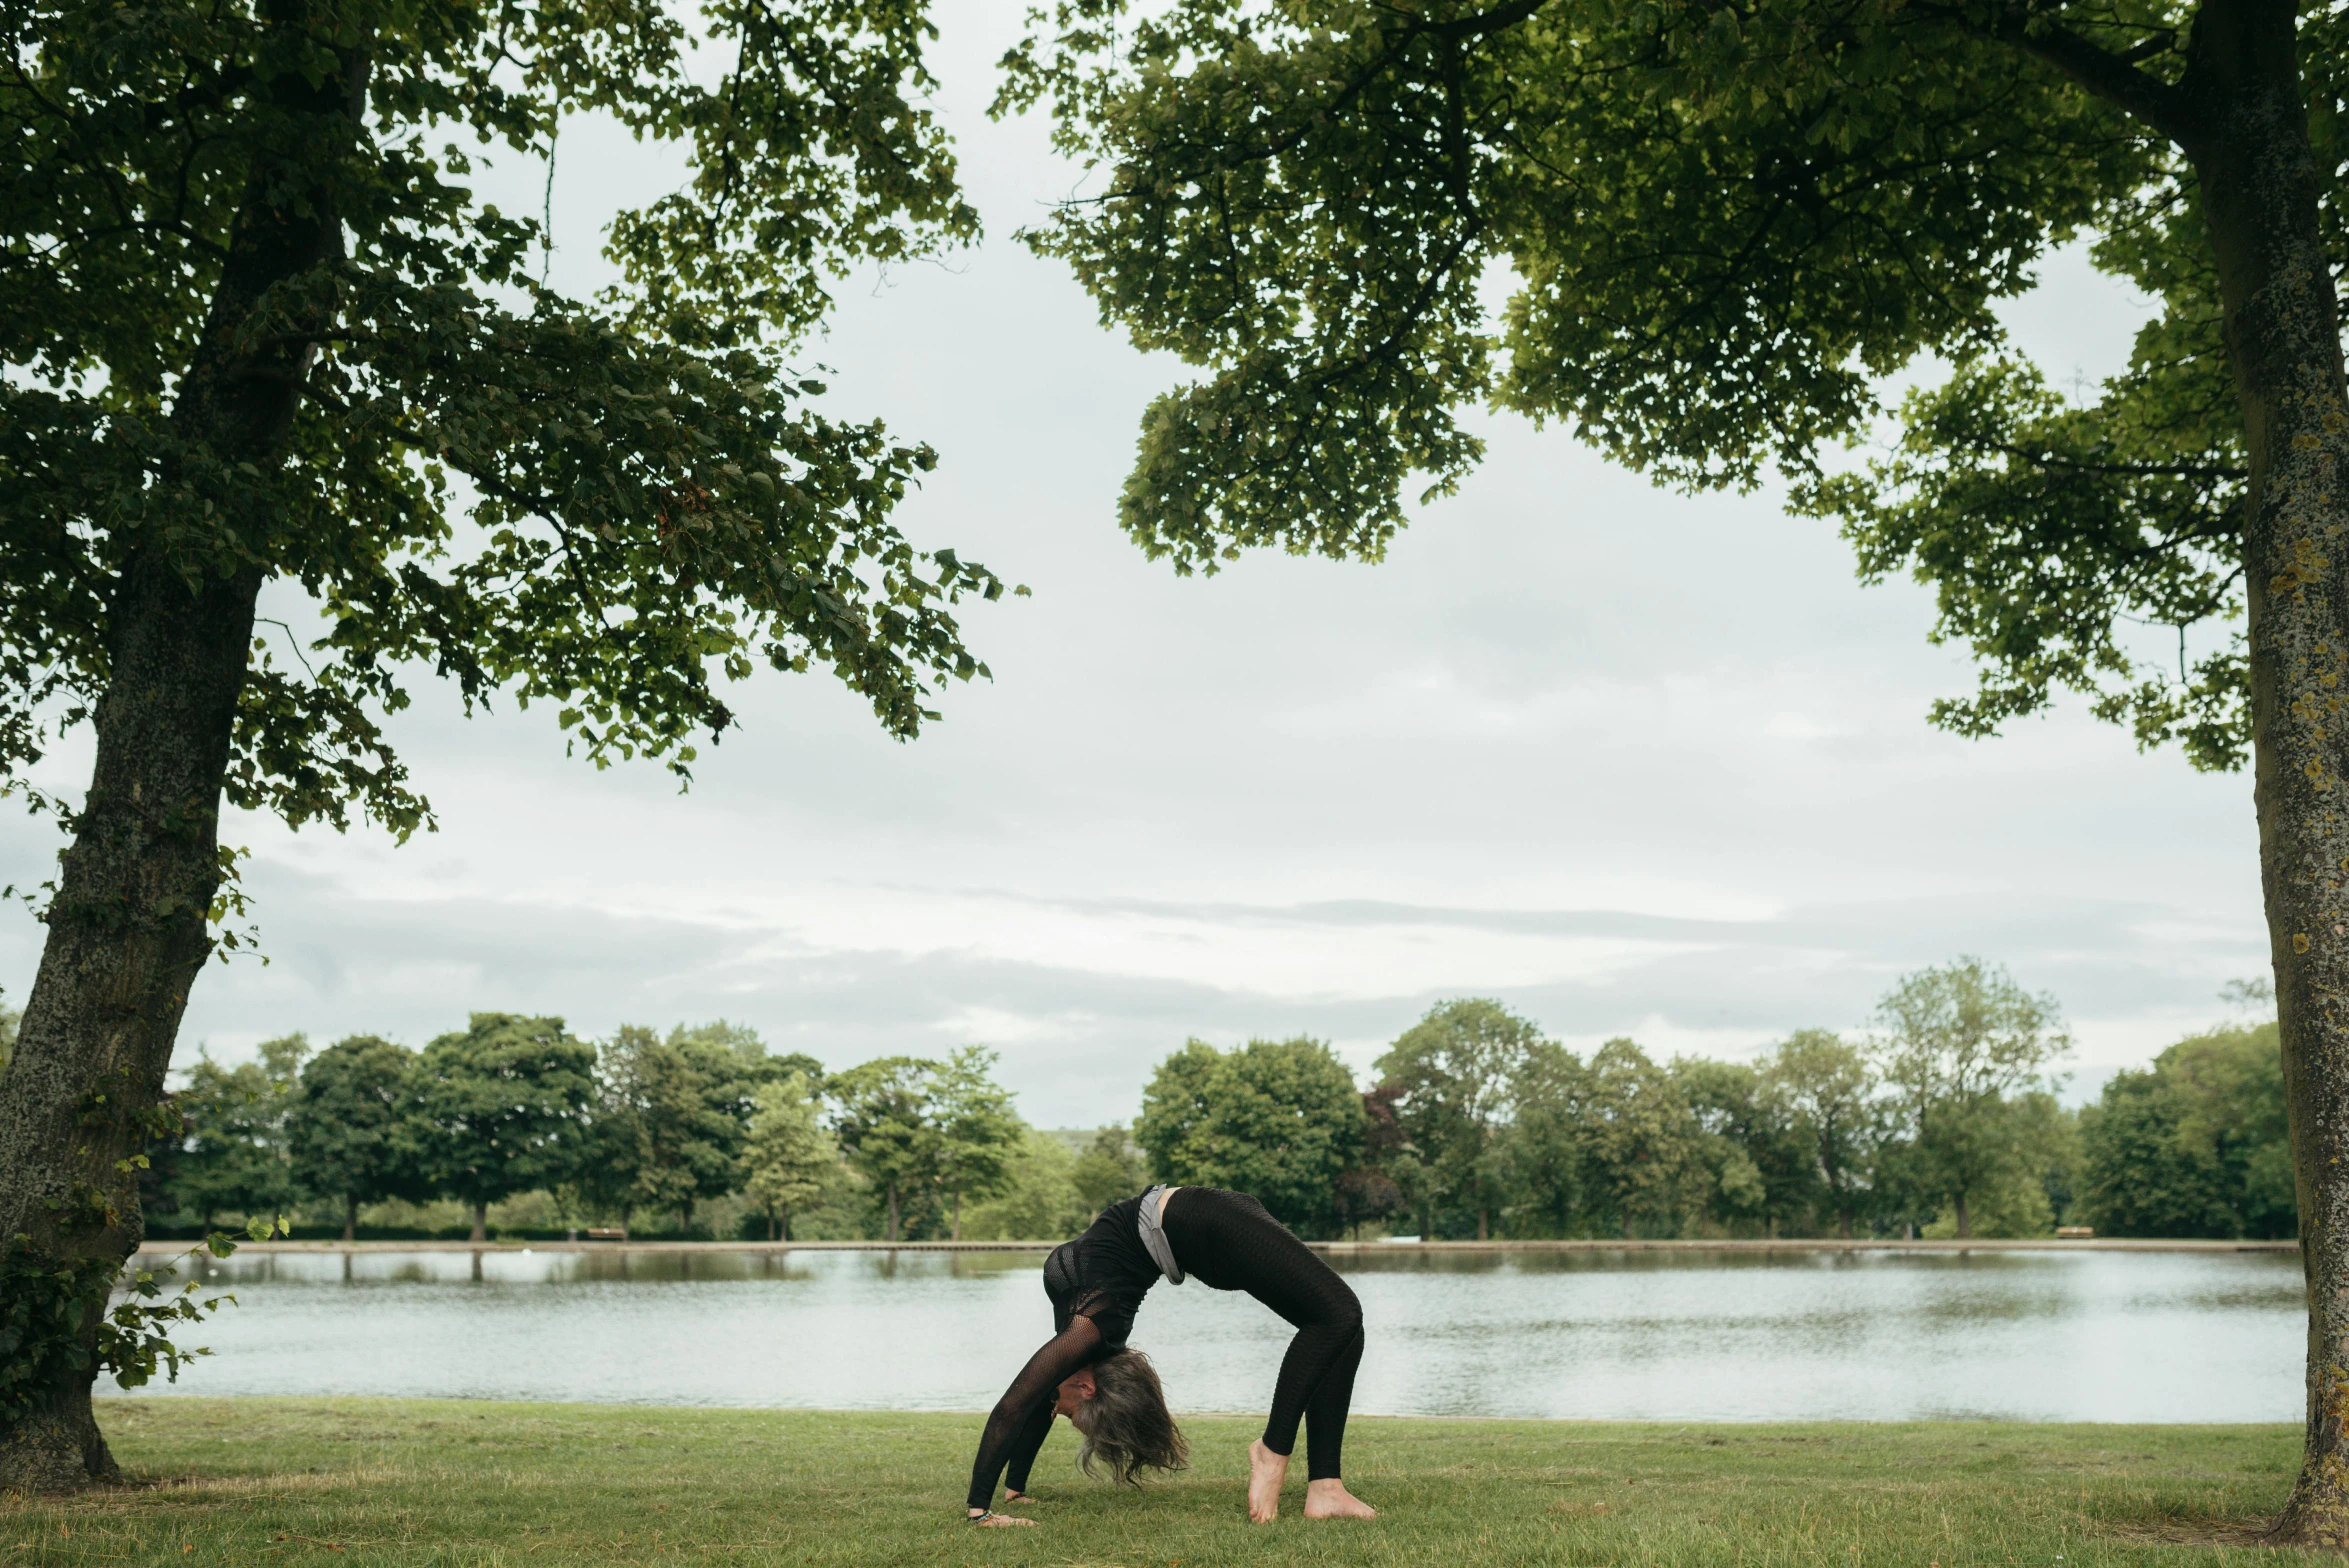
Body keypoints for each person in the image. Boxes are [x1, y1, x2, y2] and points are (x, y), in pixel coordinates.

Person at [963, 1184, 1377, 1526]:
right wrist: (1006, 1496)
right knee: (1337, 1317)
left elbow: (1015, 1405)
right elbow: (1037, 1400)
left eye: (1065, 1411)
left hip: (1194, 1221)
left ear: (1086, 1387)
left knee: (1341, 1324)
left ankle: (1299, 1470)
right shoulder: (1087, 1339)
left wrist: (985, 1509)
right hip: (1195, 1226)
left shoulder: (1086, 1333)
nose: (1055, 1409)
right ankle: (1303, 1473)